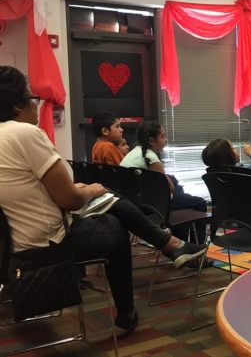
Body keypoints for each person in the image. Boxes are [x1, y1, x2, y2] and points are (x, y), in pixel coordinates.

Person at [0, 66, 206, 336]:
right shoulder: (25, 134)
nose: (36, 105)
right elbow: (70, 200)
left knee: (108, 200)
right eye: (32, 98)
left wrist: (82, 189)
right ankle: (132, 305)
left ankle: (169, 247)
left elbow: (30, 191)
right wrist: (90, 191)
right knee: (116, 225)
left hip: (14, 243)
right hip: (49, 243)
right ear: (18, 104)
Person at [120, 120, 208, 242]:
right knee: (199, 203)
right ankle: (196, 245)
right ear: (151, 141)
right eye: (162, 136)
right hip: (151, 207)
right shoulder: (150, 156)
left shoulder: (133, 153)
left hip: (133, 205)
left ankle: (181, 243)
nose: (165, 140)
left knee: (181, 199)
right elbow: (170, 188)